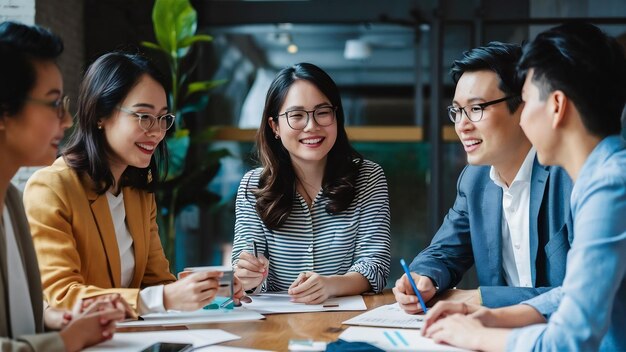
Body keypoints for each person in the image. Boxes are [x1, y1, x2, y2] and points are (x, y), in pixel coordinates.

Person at [422, 22, 626, 351]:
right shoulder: (601, 175)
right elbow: (575, 291)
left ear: (557, 107)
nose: (524, 118)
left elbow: (569, 340)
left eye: (528, 101)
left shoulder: (610, 186)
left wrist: (476, 336)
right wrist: (496, 316)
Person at [23, 51, 244, 314]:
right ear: (100, 115)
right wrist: (162, 298)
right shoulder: (51, 188)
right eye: (143, 116)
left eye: (163, 118)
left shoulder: (137, 190)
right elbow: (62, 297)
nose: (158, 131)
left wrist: (211, 293)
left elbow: (157, 281)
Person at [393, 42, 573, 312]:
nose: (462, 125)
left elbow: (582, 296)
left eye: (476, 108)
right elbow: (445, 251)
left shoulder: (569, 175)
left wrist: (478, 300)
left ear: (523, 106)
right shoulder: (475, 180)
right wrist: (423, 277)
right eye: (457, 111)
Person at [0, 21, 125, 352]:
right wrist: (65, 340)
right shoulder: (45, 188)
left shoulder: (10, 200)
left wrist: (51, 317)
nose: (67, 121)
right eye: (54, 103)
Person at [232, 63, 391, 304]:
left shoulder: (368, 177)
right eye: (296, 115)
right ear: (275, 126)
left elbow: (375, 267)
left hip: (347, 320)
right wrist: (248, 277)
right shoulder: (254, 185)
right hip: (275, 326)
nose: (311, 126)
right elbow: (243, 270)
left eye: (322, 112)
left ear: (336, 116)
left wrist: (330, 285)